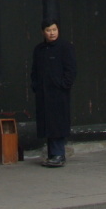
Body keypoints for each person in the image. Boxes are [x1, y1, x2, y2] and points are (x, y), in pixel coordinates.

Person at [31, 19, 76, 167]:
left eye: (54, 30)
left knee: (57, 122)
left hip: (58, 92)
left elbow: (71, 69)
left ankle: (58, 154)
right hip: (43, 93)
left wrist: (63, 85)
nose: (52, 33)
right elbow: (34, 70)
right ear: (43, 32)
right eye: (49, 30)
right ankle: (52, 154)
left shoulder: (65, 47)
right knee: (47, 123)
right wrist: (36, 86)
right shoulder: (39, 50)